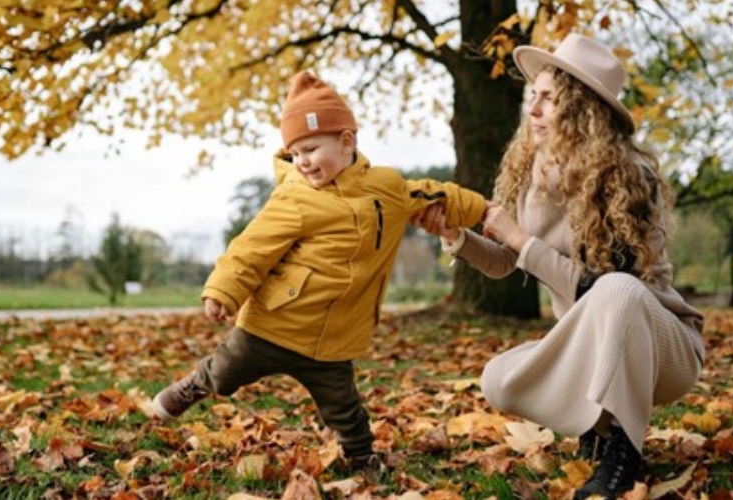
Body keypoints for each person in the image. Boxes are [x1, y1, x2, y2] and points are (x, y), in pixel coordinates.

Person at [149, 70, 488, 474]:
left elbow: (435, 193)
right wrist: (223, 290)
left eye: (310, 148)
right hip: (274, 324)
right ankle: (190, 387)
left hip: (333, 337)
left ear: (346, 142)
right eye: (295, 154)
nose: (303, 162)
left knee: (344, 405)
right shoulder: (294, 197)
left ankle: (362, 457)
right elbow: (252, 246)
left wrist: (483, 211)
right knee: (225, 371)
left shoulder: (387, 188)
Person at [413, 34, 705, 499]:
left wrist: (520, 238)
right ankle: (596, 422)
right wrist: (456, 237)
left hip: (662, 347)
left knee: (617, 291)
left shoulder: (629, 177)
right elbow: (505, 262)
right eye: (535, 97)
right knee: (498, 379)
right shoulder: (531, 174)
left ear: (582, 109)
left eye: (548, 99)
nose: (533, 110)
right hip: (590, 345)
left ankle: (623, 455)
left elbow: (603, 292)